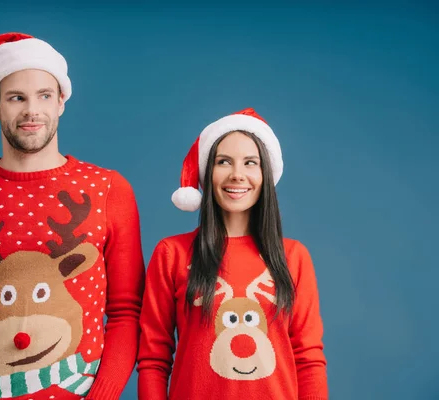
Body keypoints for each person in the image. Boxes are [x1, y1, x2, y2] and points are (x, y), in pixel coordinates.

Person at [0, 32, 145, 400]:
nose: (31, 110)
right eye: (16, 97)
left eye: (44, 96)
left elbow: (126, 312)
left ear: (61, 102)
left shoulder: (109, 190)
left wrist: (102, 396)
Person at [137, 108, 328, 399]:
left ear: (264, 174)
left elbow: (309, 358)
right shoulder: (171, 254)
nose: (237, 175)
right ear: (207, 173)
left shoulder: (294, 257)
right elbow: (153, 359)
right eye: (223, 162)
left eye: (250, 163)